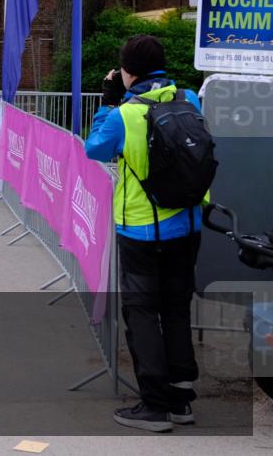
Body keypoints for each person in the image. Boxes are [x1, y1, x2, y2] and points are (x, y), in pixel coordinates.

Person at [84, 35, 203, 433]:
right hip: (188, 223)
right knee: (175, 307)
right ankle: (181, 400)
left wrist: (107, 100)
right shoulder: (189, 99)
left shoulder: (125, 113)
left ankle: (154, 406)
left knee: (141, 312)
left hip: (140, 227)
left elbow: (95, 149)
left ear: (126, 72)